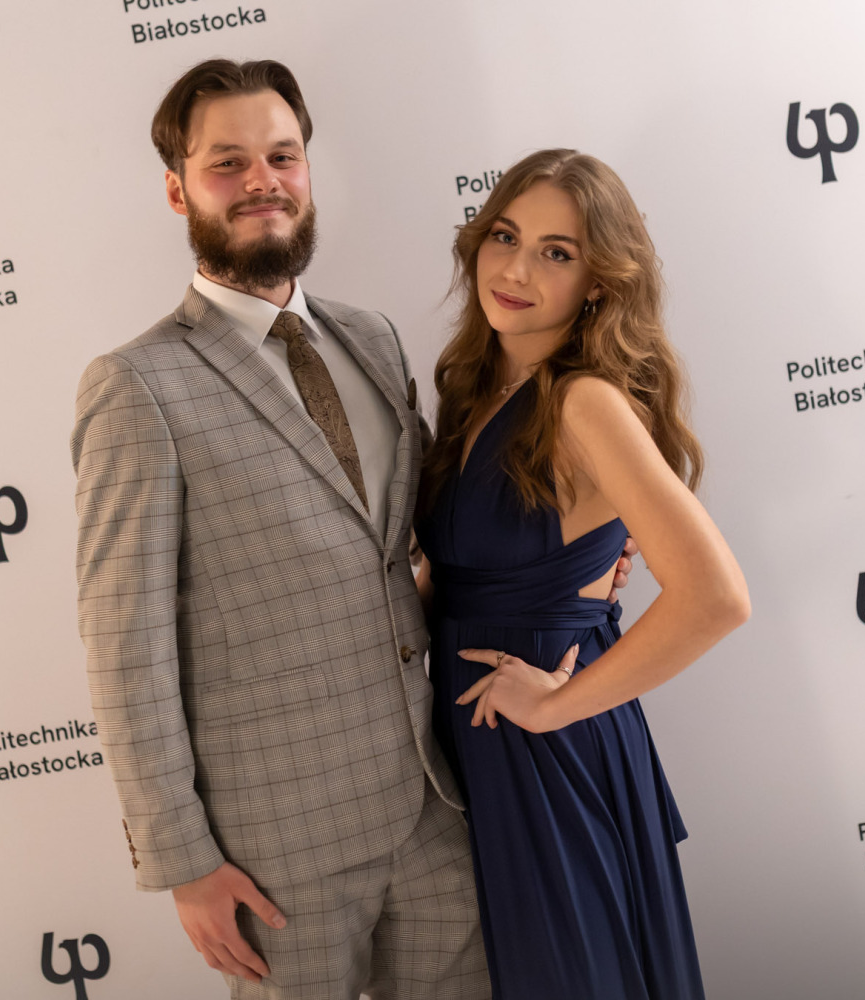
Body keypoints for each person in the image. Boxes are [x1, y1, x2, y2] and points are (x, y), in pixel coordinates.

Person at [71, 58, 501, 999]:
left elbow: (428, 534)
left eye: (282, 155)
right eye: (227, 163)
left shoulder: (372, 338)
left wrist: (573, 553)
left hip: (435, 807)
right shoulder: (137, 387)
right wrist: (184, 861)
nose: (262, 180)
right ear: (178, 189)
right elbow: (124, 644)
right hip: (273, 857)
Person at [415, 149, 752, 999]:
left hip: (548, 749)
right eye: (505, 237)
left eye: (556, 253)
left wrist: (555, 705)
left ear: (598, 282)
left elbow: (716, 597)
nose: (516, 270)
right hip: (482, 746)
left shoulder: (583, 403)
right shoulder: (478, 388)